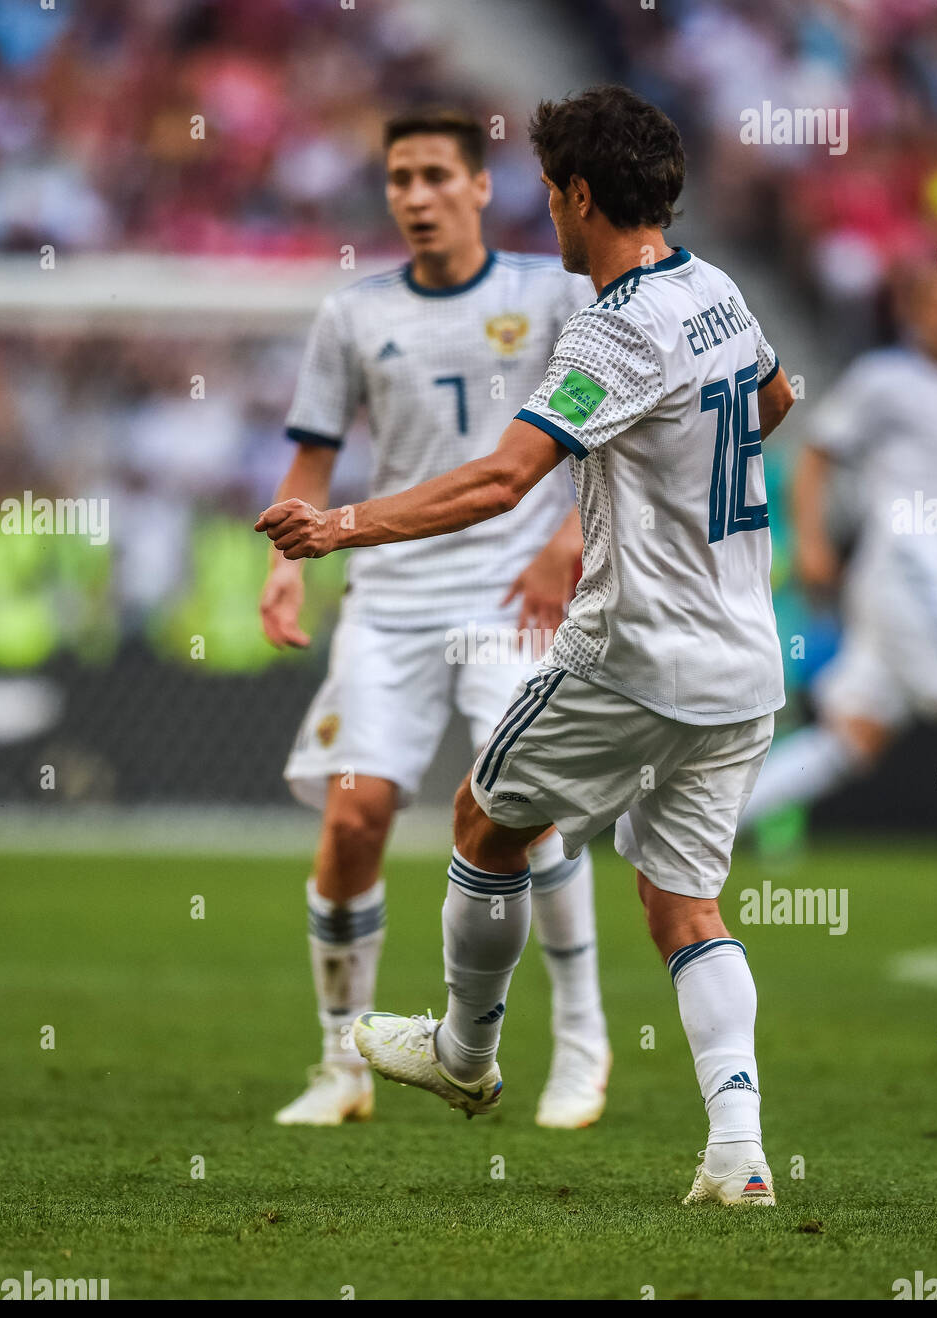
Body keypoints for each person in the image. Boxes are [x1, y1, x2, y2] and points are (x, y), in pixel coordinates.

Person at [258, 85, 795, 1206]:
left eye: (552, 192)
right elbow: (777, 398)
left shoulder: (614, 324)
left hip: (635, 656)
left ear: (580, 195)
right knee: (682, 904)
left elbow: (505, 479)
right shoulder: (717, 292)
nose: (547, 214)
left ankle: (462, 1052)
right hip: (746, 664)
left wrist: (338, 526)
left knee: (482, 820)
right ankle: (739, 1153)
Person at [260, 108, 610, 1130]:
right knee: (357, 815)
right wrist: (285, 565)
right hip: (390, 598)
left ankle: (582, 1043)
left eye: (432, 177)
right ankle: (342, 1062)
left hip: (513, 594)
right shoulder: (353, 315)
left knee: (524, 809)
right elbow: (315, 455)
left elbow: (604, 432)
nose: (413, 195)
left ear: (479, 186)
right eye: (398, 179)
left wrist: (569, 541)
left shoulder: (553, 293)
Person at [741, 266, 937, 912]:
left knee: (852, 738)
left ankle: (681, 831)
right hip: (909, 561)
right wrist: (814, 542)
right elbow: (819, 455)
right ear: (916, 314)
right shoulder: (884, 380)